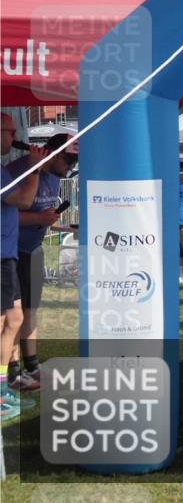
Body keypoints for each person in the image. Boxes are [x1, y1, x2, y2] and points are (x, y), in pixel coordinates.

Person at [6, 133, 78, 392]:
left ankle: (32, 364)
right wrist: (38, 219)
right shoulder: (17, 171)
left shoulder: (55, 178)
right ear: (52, 153)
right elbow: (8, 215)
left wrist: (64, 227)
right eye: (68, 160)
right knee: (12, 315)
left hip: (32, 249)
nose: (70, 167)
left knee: (30, 310)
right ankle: (13, 371)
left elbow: (43, 216)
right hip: (11, 251)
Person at [0, 114, 45, 421]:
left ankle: (5, 385)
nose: (13, 136)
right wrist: (34, 167)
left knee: (14, 318)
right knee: (5, 320)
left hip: (7, 254)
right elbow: (25, 199)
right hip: (1, 255)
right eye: (9, 131)